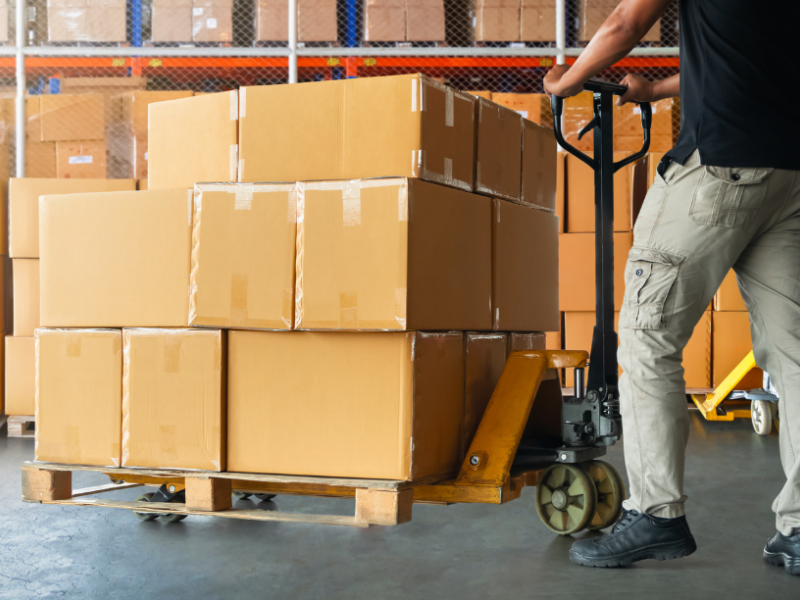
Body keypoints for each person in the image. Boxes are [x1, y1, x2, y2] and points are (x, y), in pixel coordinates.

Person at [543, 0, 800, 574]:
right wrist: (658, 91)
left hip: (719, 170)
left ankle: (656, 513)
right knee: (795, 354)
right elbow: (754, 57)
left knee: (645, 335)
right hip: (788, 174)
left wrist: (567, 81)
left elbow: (623, 25)